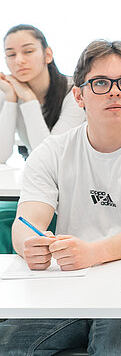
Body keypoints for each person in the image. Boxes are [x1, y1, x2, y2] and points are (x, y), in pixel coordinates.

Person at [0, 39, 121, 355]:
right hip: (70, 281)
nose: (115, 91)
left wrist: (92, 252)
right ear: (79, 95)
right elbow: (27, 220)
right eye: (100, 83)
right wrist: (26, 245)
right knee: (11, 347)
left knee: (112, 350)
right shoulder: (52, 152)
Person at [0, 25, 85, 253]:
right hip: (38, 187)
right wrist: (10, 99)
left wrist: (27, 98)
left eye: (28, 51)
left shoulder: (73, 93)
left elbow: (49, 155)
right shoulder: (10, 90)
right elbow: (1, 155)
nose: (19, 61)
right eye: (10, 54)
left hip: (72, 188)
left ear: (48, 54)